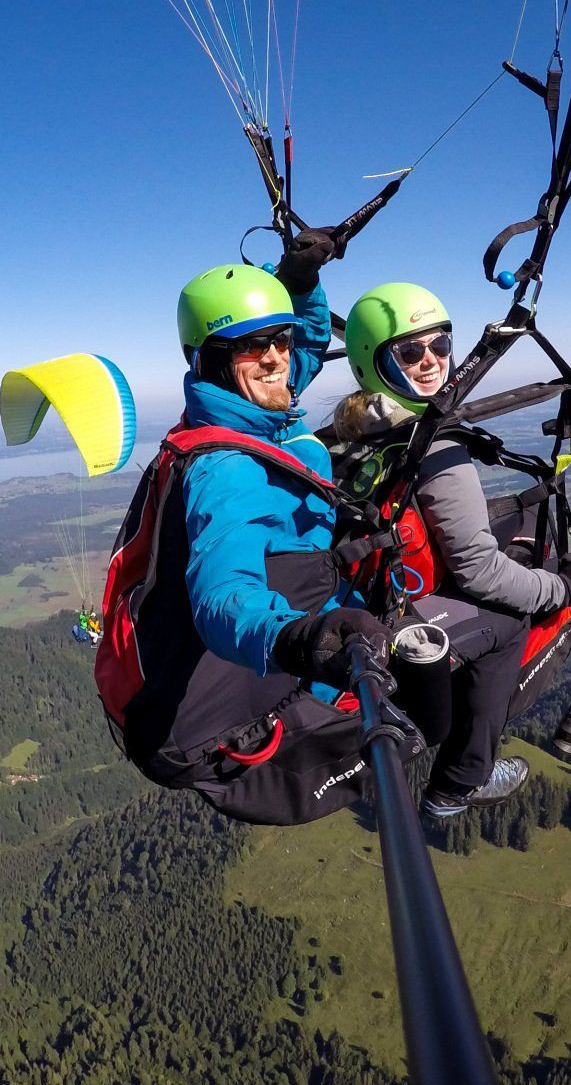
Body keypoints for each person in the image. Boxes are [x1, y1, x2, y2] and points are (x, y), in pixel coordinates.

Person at [106, 232, 397, 825]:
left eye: (278, 340)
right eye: (250, 345)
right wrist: (298, 640)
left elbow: (308, 343)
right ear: (213, 359)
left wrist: (301, 280)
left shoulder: (249, 411)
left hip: (306, 599)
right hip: (279, 642)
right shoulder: (226, 471)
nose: (275, 357)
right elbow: (223, 597)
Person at [330, 282, 571, 818]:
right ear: (372, 362)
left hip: (382, 577)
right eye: (408, 351)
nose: (430, 361)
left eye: (440, 345)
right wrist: (560, 589)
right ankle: (468, 777)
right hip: (403, 609)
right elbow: (477, 573)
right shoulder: (434, 442)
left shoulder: (352, 428)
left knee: (518, 525)